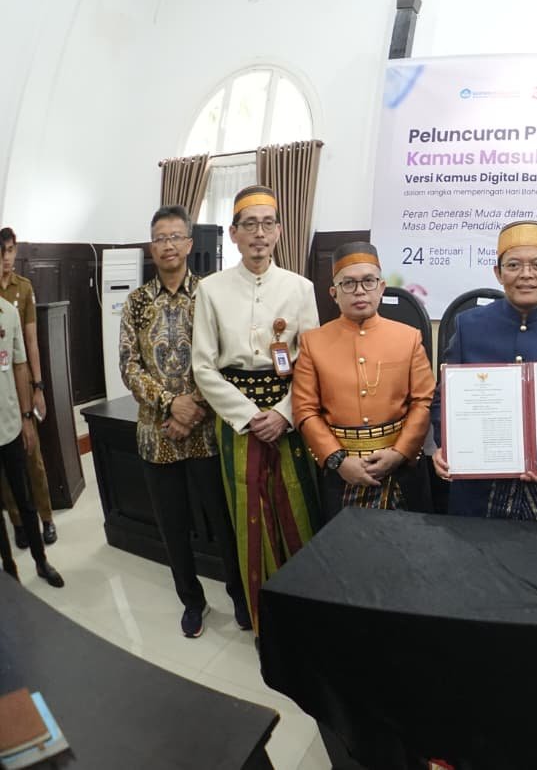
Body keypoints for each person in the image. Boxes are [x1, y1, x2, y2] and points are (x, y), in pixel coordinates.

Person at [192, 185, 322, 633]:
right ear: (233, 233)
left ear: (280, 231)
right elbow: (203, 366)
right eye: (249, 225)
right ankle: (262, 617)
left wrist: (284, 413)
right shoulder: (210, 289)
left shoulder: (300, 288)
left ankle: (306, 617)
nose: (259, 234)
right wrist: (249, 416)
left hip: (289, 412)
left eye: (267, 224)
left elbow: (311, 362)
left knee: (298, 507)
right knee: (249, 514)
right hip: (238, 419)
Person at [120, 206, 249, 637]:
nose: (168, 245)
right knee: (172, 527)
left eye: (176, 236)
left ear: (190, 244)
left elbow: (226, 359)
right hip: (156, 435)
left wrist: (192, 408)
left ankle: (240, 598)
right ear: (151, 246)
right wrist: (170, 404)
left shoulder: (211, 294)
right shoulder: (137, 302)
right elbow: (129, 365)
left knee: (224, 522)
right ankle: (192, 602)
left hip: (207, 432)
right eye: (160, 238)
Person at [432, 221, 537, 520]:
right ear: (498, 273)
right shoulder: (469, 326)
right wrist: (446, 446)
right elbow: (443, 399)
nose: (526, 274)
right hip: (478, 489)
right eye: (513, 265)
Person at [293, 242, 435, 521]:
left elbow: (424, 401)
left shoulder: (408, 337)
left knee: (409, 542)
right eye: (348, 283)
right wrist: (338, 460)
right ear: (334, 293)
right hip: (341, 471)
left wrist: (399, 453)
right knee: (345, 544)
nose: (359, 291)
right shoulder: (313, 342)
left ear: (381, 287)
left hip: (401, 469)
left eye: (368, 281)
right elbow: (304, 410)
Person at [0, 293, 62, 587]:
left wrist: (26, 418)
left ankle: (41, 561)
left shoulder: (8, 313)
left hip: (10, 423)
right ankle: (9, 568)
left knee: (24, 498)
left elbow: (20, 366)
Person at [0, 227, 56, 548]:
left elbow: (31, 341)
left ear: (16, 250)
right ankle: (19, 523)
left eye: (10, 250)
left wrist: (39, 386)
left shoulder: (24, 288)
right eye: (2, 252)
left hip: (20, 384)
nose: (6, 258)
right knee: (4, 467)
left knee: (32, 454)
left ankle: (46, 518)